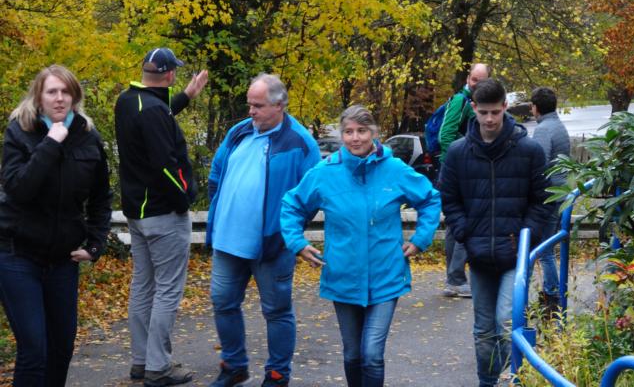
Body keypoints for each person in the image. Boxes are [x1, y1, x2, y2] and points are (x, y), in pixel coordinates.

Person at [280, 105, 442, 387]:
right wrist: (297, 243)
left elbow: (429, 199)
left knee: (372, 355)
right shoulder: (325, 173)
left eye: (362, 131)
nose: (355, 138)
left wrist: (420, 239)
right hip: (342, 276)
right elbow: (292, 205)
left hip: (386, 274)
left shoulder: (394, 170)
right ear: (342, 135)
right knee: (353, 354)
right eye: (349, 132)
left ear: (374, 133)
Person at [0, 65, 112, 386]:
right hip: (17, 254)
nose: (60, 98)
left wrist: (95, 244)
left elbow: (101, 197)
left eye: (66, 92)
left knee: (61, 348)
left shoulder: (88, 137)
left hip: (63, 259)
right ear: (39, 97)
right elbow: (18, 188)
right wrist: (50, 144)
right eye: (52, 92)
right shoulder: (19, 132)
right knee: (35, 349)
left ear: (75, 97)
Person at [206, 73, 321, 387]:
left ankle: (277, 375)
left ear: (279, 105)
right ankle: (234, 366)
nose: (251, 111)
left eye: (258, 106)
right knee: (223, 303)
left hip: (271, 245)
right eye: (249, 104)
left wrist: (287, 232)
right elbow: (216, 172)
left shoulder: (300, 143)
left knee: (277, 311)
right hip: (227, 241)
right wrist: (219, 207)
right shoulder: (239, 131)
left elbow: (311, 196)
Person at [439, 79, 550, 387]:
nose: (489, 119)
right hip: (479, 254)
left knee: (506, 320)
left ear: (505, 107)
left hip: (514, 253)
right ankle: (487, 381)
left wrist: (526, 236)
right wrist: (464, 231)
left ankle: (513, 375)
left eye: (495, 112)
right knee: (484, 328)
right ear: (473, 108)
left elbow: (542, 200)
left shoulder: (528, 150)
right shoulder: (459, 153)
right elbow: (449, 198)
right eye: (483, 112)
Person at [115, 47, 208, 387]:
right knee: (167, 291)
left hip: (137, 214)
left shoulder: (128, 101)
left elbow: (156, 115)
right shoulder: (153, 111)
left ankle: (142, 361)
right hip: (162, 214)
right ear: (169, 74)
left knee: (143, 286)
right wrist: (184, 200)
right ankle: (158, 367)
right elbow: (165, 165)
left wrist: (186, 96)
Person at [439, 63, 491, 298]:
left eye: (481, 80)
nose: (476, 83)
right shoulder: (461, 101)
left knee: (455, 225)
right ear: (468, 79)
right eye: (473, 79)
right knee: (465, 221)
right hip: (459, 172)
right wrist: (465, 161)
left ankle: (454, 279)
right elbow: (445, 136)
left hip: (460, 170)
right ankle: (456, 279)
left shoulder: (477, 102)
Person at [530, 87, 570, 315]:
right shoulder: (559, 126)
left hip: (548, 196)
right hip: (561, 193)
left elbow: (539, 163)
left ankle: (551, 294)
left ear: (535, 107)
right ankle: (551, 292)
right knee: (548, 248)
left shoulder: (543, 130)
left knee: (544, 250)